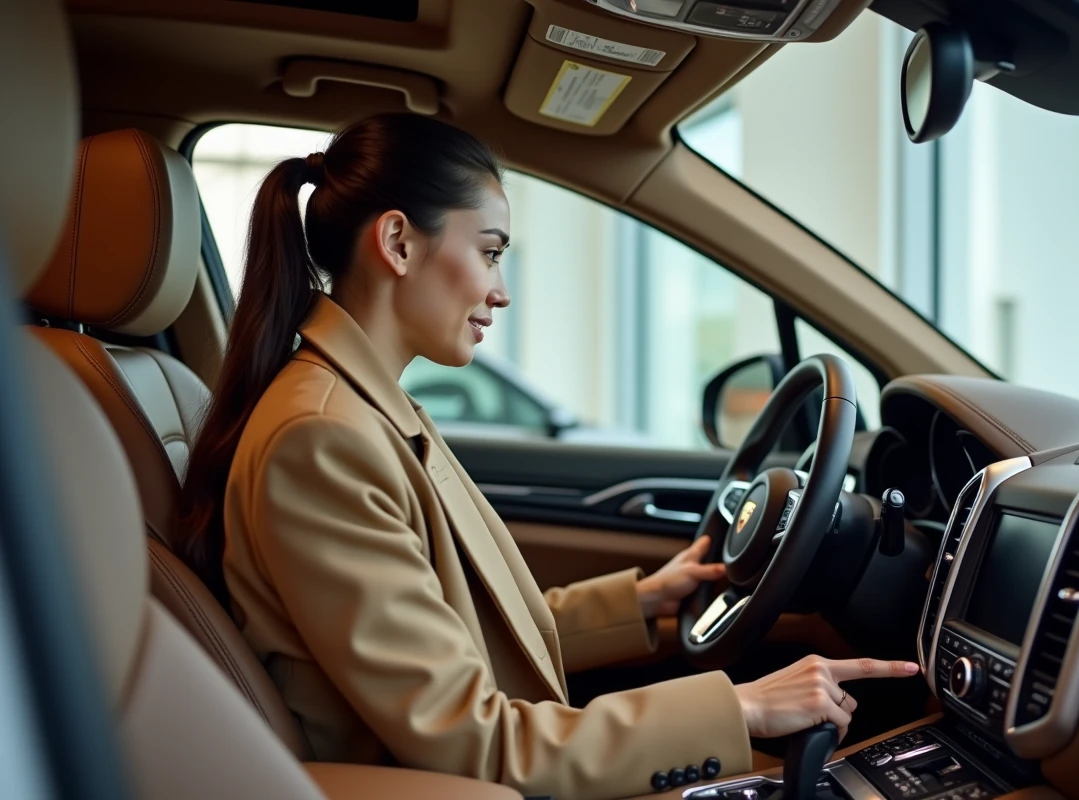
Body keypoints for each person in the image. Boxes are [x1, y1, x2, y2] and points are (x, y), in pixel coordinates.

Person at [178, 112, 918, 800]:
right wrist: (742, 707)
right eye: (491, 253)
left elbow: (456, 627)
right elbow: (466, 737)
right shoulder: (323, 437)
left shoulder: (359, 408)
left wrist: (641, 601)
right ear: (399, 243)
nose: (501, 293)